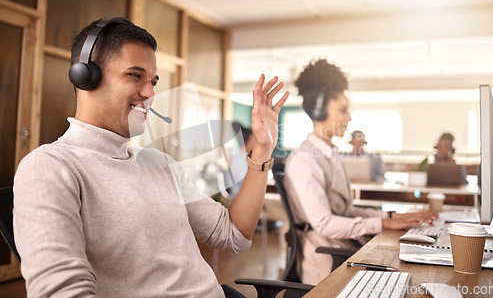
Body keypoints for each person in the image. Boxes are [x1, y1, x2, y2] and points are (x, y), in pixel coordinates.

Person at [13, 18, 289, 297]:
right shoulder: (49, 168)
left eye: (153, 81)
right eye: (135, 75)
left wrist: (263, 149)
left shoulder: (161, 164)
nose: (150, 93)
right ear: (85, 77)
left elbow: (234, 235)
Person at [284, 59, 437, 285]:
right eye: (343, 110)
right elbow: (325, 224)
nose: (349, 118)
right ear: (319, 109)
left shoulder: (329, 154)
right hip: (325, 260)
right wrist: (383, 224)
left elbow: (345, 210)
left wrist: (392, 216)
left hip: (343, 248)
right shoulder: (305, 159)